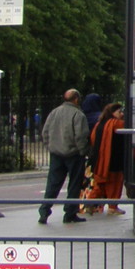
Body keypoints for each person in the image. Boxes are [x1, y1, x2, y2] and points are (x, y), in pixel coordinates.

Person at [38, 89, 91, 224]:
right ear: (76, 99)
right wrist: (83, 151)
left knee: (53, 183)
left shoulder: (54, 112)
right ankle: (70, 213)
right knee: (74, 184)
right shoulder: (78, 115)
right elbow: (81, 136)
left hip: (56, 153)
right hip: (73, 154)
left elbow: (45, 132)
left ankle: (44, 211)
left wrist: (50, 147)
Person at [83, 102, 127, 215]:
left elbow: (92, 139)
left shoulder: (99, 124)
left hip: (99, 160)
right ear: (112, 113)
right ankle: (113, 207)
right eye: (119, 112)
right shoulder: (116, 124)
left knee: (100, 184)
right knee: (115, 182)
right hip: (113, 159)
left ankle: (90, 202)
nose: (121, 114)